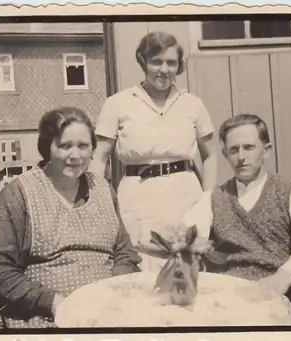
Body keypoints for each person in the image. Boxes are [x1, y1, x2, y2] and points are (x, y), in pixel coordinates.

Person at [0, 107, 142, 329]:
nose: (75, 155)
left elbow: (124, 252)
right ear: (47, 148)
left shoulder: (104, 189)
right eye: (64, 146)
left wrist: (114, 289)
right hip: (45, 316)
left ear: (93, 148)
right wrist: (54, 303)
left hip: (109, 310)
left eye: (83, 146)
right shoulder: (20, 193)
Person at [90, 31, 218, 271]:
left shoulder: (192, 104)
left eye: (171, 62)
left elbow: (210, 155)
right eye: (156, 61)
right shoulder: (118, 103)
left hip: (184, 194)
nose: (164, 69)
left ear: (179, 66)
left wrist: (207, 200)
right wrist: (96, 205)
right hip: (138, 196)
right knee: (141, 266)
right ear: (143, 62)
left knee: (186, 267)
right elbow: (99, 158)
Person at [181, 113, 291, 297]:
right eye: (233, 150)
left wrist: (285, 276)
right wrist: (187, 242)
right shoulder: (213, 198)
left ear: (266, 150)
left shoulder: (290, 193)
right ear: (225, 154)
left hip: (273, 294)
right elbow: (185, 235)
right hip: (225, 295)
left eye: (248, 148)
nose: (241, 157)